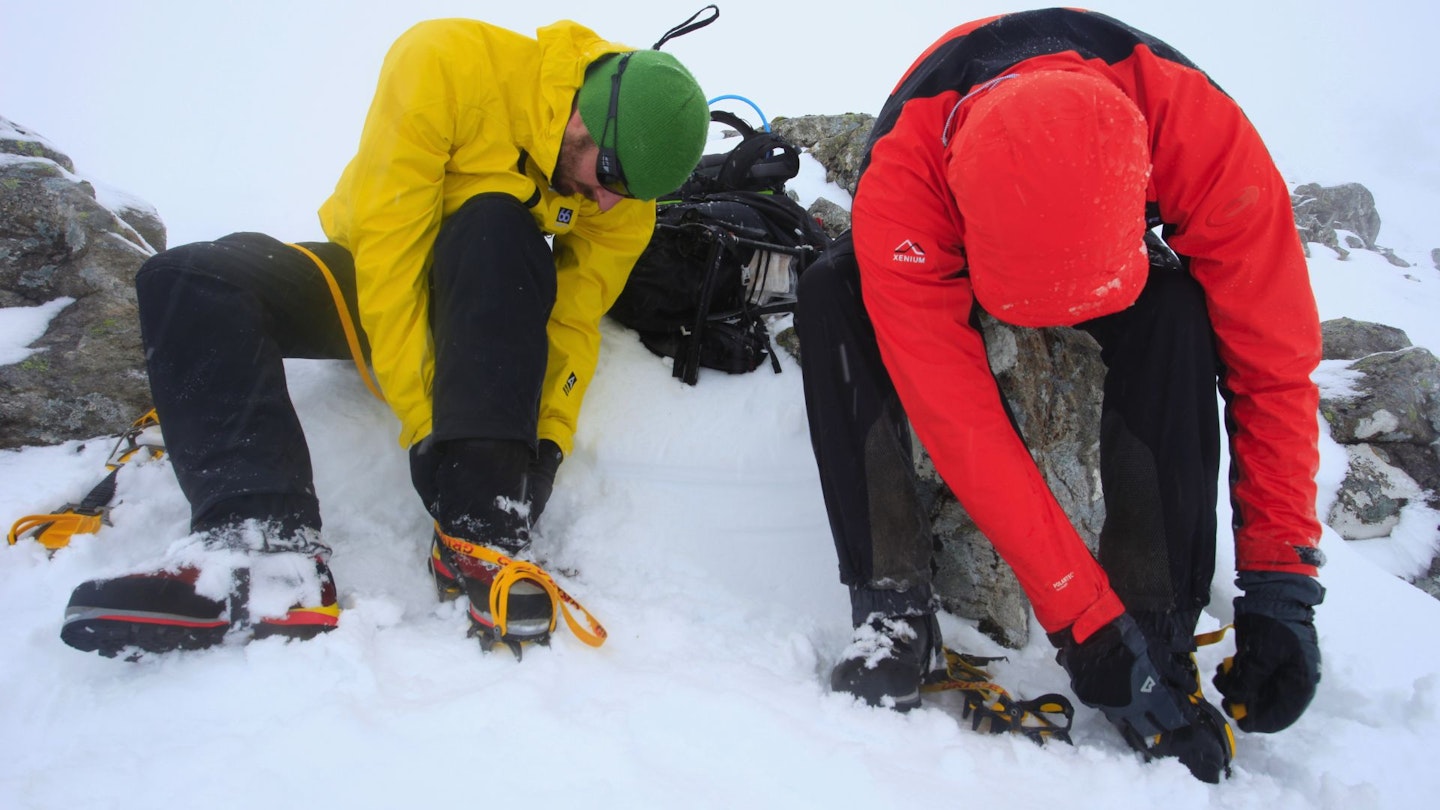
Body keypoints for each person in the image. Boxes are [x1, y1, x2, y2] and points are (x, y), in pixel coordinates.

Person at [59, 17, 709, 659]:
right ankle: (263, 549)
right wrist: (426, 426)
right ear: (580, 122)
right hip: (377, 274)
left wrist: (543, 448)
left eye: (634, 196)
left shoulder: (628, 200)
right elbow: (389, 264)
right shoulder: (448, 63)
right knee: (187, 276)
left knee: (498, 231)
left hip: (492, 308)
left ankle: (482, 527)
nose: (609, 207)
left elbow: (569, 324)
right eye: (611, 179)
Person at [795, 8, 1324, 783]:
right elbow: (961, 418)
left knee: (1179, 314)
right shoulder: (908, 176)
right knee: (832, 291)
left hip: (1114, 253)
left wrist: (1283, 584)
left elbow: (1273, 364)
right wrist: (1087, 627)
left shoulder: (1199, 134)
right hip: (953, 248)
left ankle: (1161, 630)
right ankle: (892, 607)